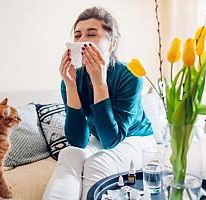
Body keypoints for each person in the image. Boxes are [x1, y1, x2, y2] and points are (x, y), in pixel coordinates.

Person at [43, 7, 156, 200]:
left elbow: (111, 139)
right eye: (77, 36)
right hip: (102, 137)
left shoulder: (130, 75)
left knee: (98, 163)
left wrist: (99, 83)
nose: (81, 41)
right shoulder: (72, 79)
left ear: (111, 44)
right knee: (69, 154)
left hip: (136, 138)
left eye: (91, 34)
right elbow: (78, 141)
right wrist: (70, 86)